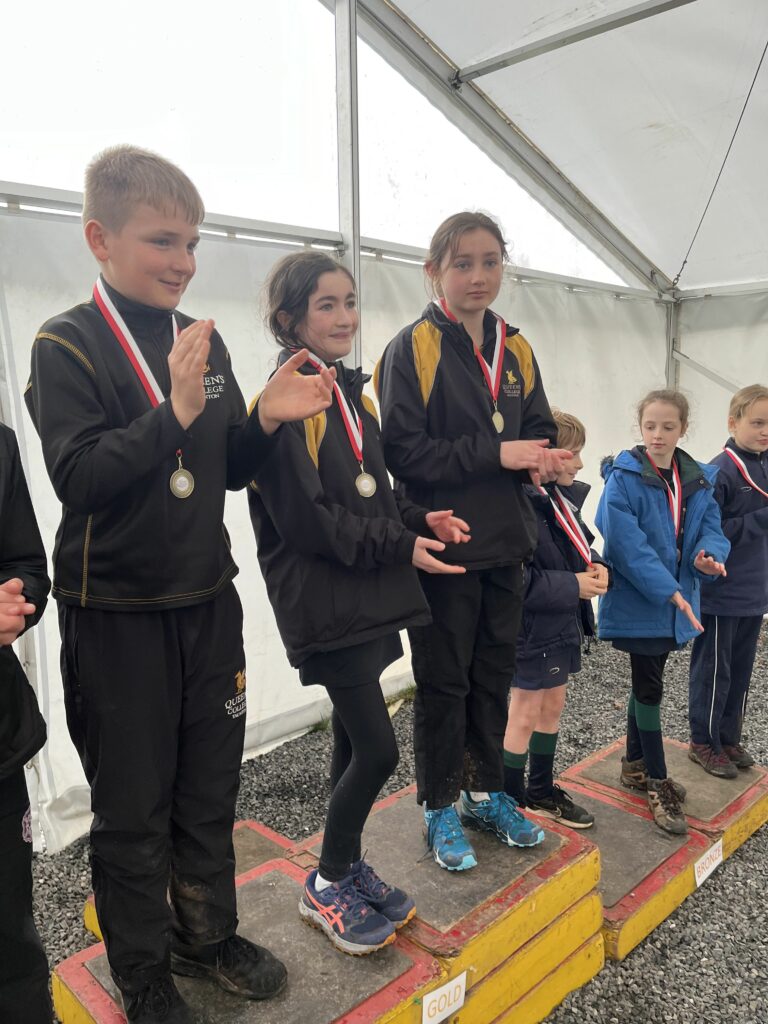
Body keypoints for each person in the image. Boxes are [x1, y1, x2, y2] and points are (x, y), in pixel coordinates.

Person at [25, 145, 336, 1024]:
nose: (183, 262)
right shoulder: (65, 342)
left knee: (207, 789)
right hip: (118, 616)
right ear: (100, 239)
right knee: (133, 809)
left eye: (192, 244)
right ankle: (144, 973)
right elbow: (79, 477)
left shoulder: (202, 338)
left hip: (206, 603)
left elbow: (225, 468)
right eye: (163, 241)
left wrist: (265, 421)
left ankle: (206, 936)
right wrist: (176, 412)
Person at [249, 251, 469, 953]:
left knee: (352, 743)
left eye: (350, 302)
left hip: (366, 594)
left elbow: (376, 493)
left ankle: (345, 864)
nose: (345, 317)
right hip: (324, 601)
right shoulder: (285, 404)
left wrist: (419, 520)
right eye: (327, 305)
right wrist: (400, 545)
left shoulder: (352, 394)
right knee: (377, 750)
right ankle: (325, 884)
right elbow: (308, 523)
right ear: (290, 320)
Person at [375, 211, 570, 871]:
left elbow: (537, 427)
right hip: (445, 548)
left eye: (490, 262)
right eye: (463, 263)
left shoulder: (516, 346)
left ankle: (484, 793)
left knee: (492, 676)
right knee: (443, 682)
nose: (478, 276)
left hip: (507, 544)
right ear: (434, 271)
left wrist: (546, 458)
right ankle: (437, 805)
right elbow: (403, 452)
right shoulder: (412, 347)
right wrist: (498, 453)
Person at [596, 389, 729, 835]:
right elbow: (625, 545)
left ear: (683, 429)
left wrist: (708, 556)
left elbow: (710, 529)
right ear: (640, 427)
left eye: (667, 427)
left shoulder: (697, 479)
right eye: (650, 426)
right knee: (650, 687)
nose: (657, 434)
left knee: (647, 682)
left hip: (676, 604)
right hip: (644, 602)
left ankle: (634, 765)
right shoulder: (623, 478)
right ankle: (657, 780)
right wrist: (670, 591)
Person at [503, 410, 607, 829]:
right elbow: (515, 580)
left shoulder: (558, 499)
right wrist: (572, 585)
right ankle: (510, 802)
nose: (579, 464)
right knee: (524, 712)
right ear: (544, 455)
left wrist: (598, 565)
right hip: (531, 630)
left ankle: (541, 791)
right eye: (573, 454)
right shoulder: (518, 505)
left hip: (561, 623)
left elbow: (578, 545)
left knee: (553, 706)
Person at [688, 384, 768, 777]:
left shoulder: (764, 464)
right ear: (733, 423)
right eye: (757, 423)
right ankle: (703, 741)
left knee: (740, 671)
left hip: (755, 592)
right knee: (713, 672)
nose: (765, 431)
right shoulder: (720, 471)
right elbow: (708, 531)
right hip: (723, 593)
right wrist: (760, 520)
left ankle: (728, 737)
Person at [0, 425, 52, 1024]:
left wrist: (17, 601)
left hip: (0, 743)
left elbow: (27, 564)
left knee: (12, 929)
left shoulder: (0, 443)